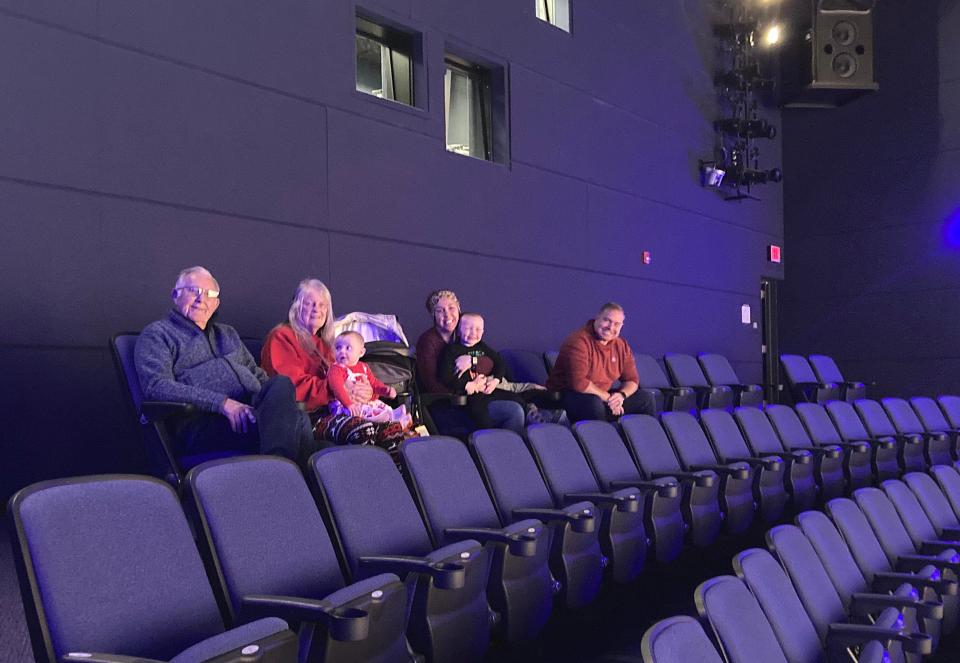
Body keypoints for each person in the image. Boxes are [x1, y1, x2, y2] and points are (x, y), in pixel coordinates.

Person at [135, 266, 316, 462]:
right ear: (175, 295)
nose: (201, 299)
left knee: (281, 385)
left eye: (209, 294)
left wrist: (276, 405)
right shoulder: (158, 334)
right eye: (193, 290)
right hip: (203, 422)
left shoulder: (227, 334)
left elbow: (257, 374)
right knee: (300, 427)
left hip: (250, 413)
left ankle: (277, 467)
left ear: (216, 303)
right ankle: (280, 470)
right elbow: (156, 387)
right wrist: (221, 403)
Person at [415, 289, 524, 434]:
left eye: (451, 308)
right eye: (440, 310)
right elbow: (432, 384)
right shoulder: (428, 341)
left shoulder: (465, 331)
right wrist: (467, 388)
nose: (447, 314)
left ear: (459, 309)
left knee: (518, 402)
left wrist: (473, 361)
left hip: (476, 396)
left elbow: (490, 362)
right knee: (514, 411)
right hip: (450, 403)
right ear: (433, 315)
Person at [439, 313, 552, 433]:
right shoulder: (451, 350)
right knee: (510, 409)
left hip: (489, 391)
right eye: (468, 328)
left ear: (483, 332)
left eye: (478, 329)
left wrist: (495, 380)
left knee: (517, 398)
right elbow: (445, 375)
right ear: (459, 330)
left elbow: (500, 364)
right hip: (471, 398)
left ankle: (536, 425)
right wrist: (466, 385)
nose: (473, 333)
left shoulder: (482, 347)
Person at [546, 302, 653, 423]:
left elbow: (632, 380)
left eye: (616, 324)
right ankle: (601, 439)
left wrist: (621, 396)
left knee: (646, 399)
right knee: (594, 403)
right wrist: (609, 399)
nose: (611, 327)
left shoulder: (621, 345)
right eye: (607, 320)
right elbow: (579, 383)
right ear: (597, 318)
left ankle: (638, 441)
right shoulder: (578, 341)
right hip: (568, 395)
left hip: (602, 398)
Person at [328, 330, 412, 428]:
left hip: (362, 403)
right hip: (344, 405)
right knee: (366, 411)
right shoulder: (336, 368)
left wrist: (386, 390)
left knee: (380, 405)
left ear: (361, 352)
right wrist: (349, 404)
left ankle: (394, 416)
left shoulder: (363, 367)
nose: (342, 351)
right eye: (338, 348)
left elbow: (374, 383)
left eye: (348, 348)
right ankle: (389, 423)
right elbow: (337, 387)